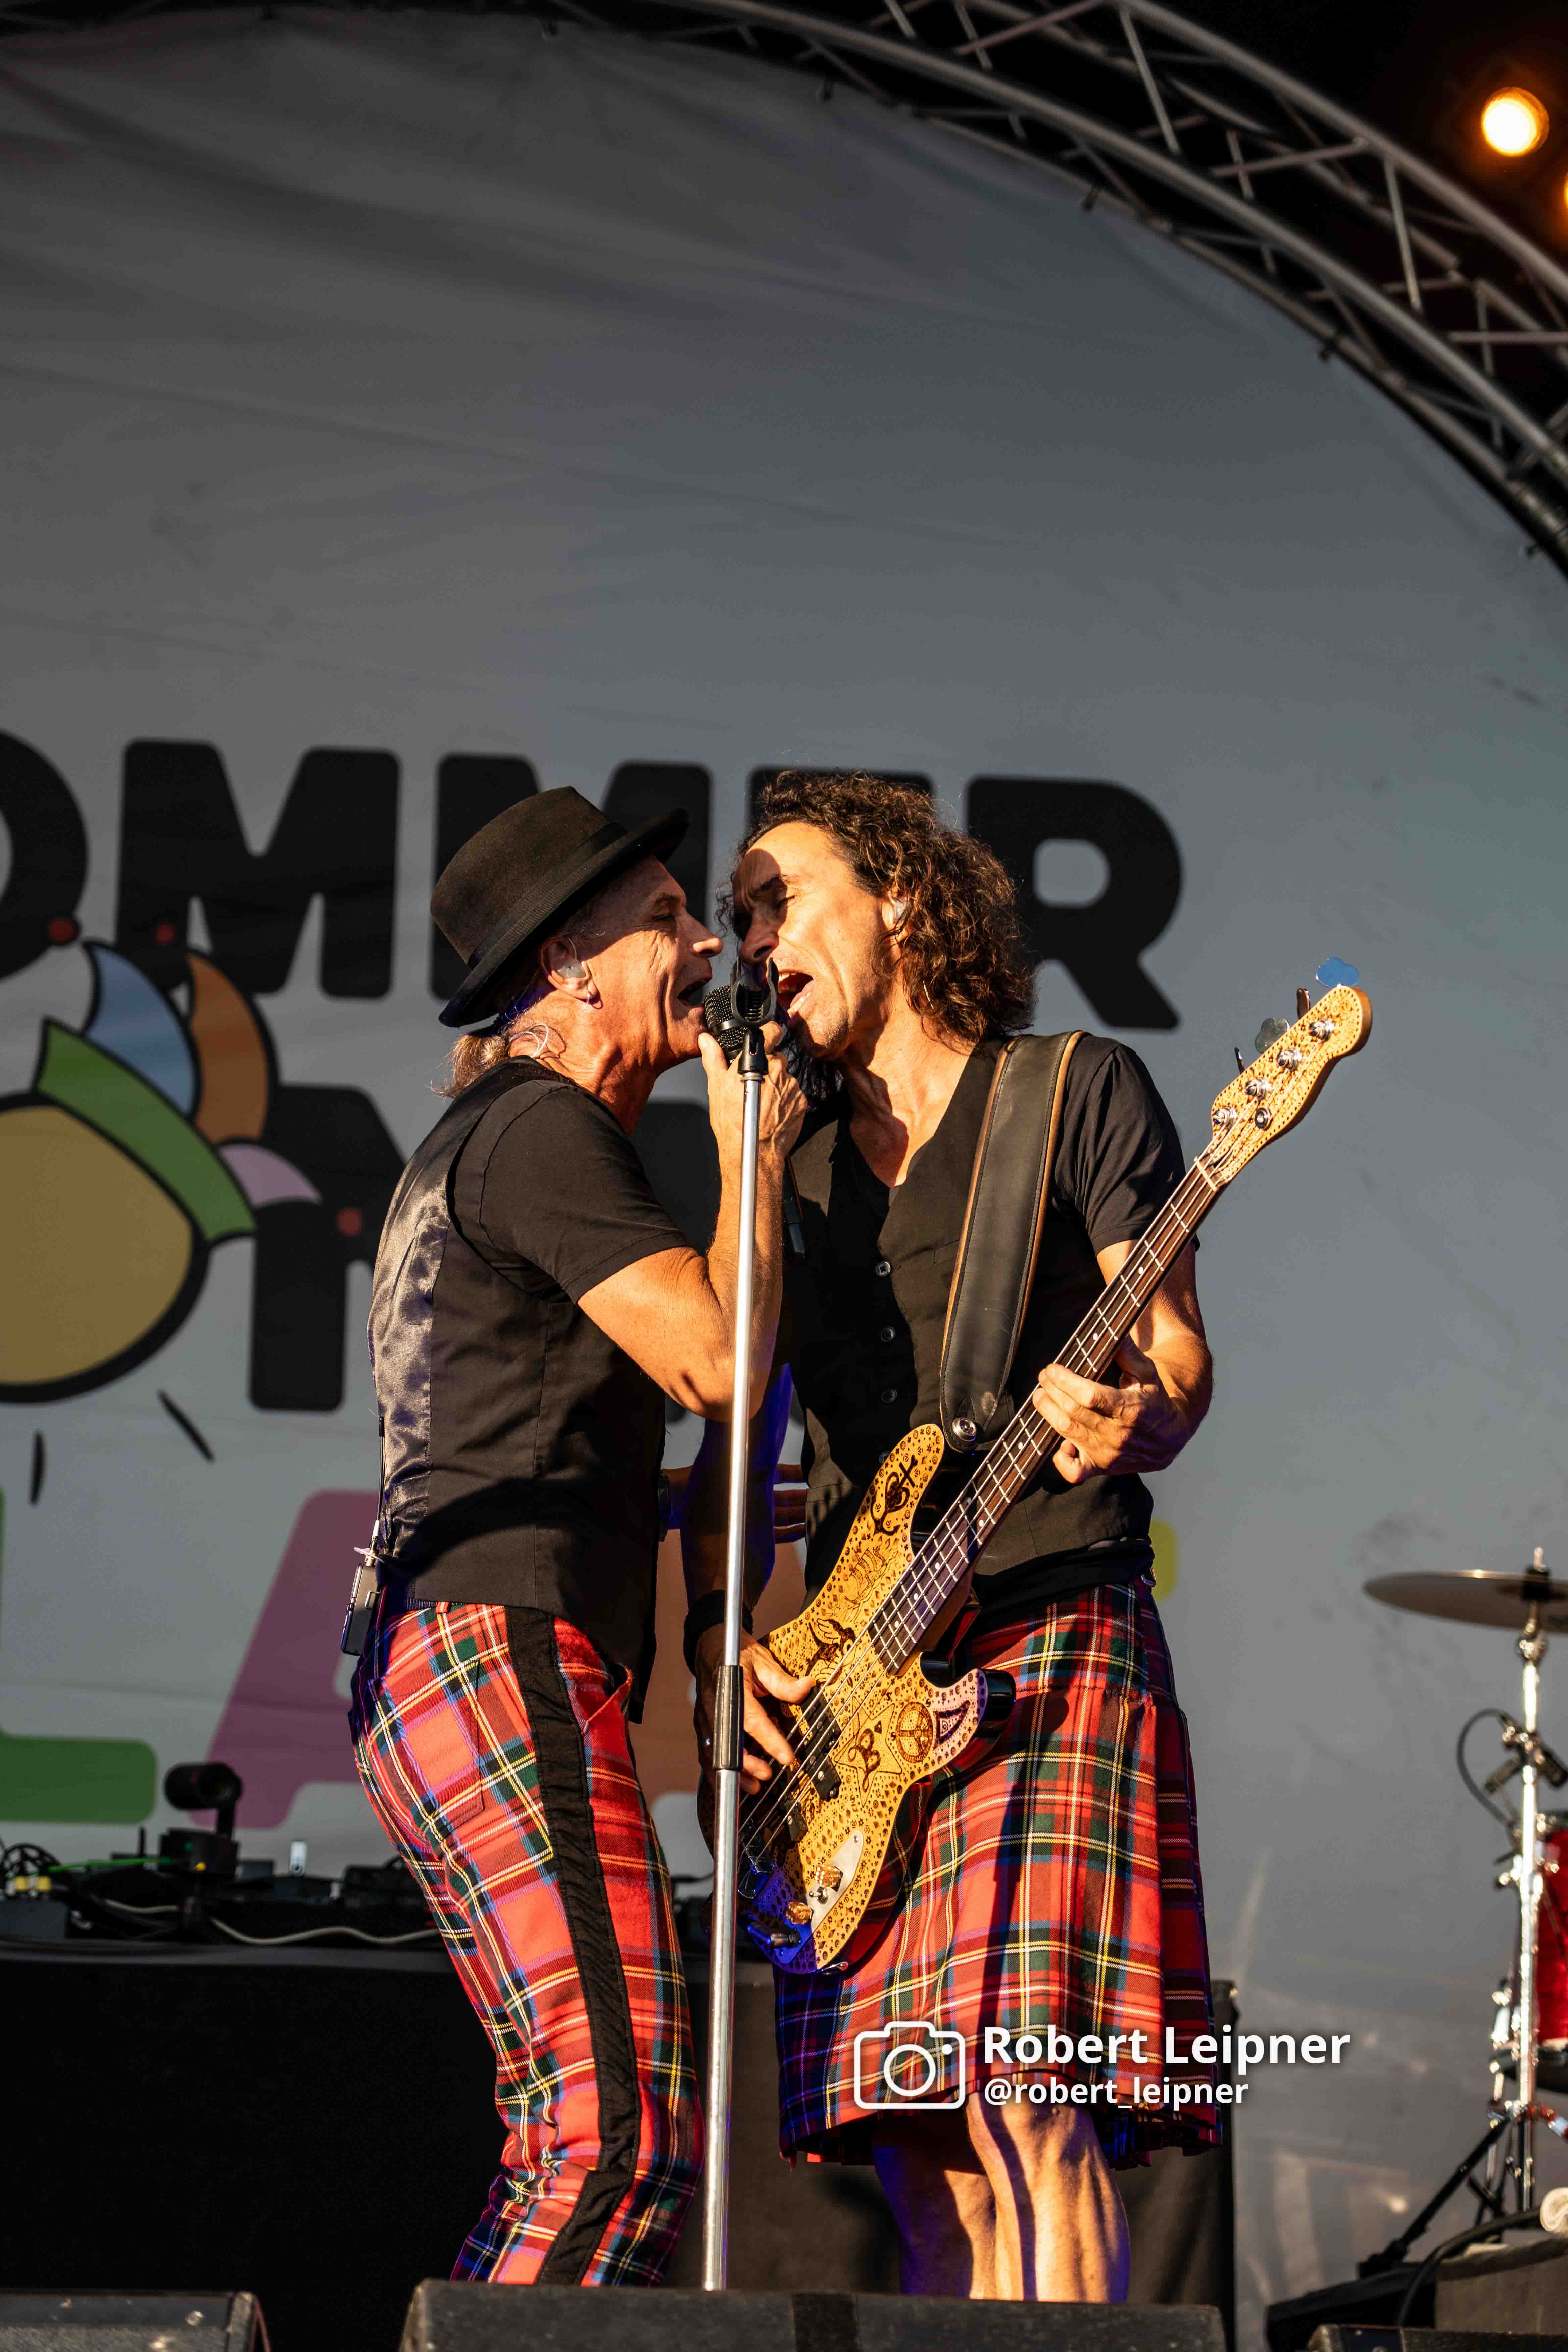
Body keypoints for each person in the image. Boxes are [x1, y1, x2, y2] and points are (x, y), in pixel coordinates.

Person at [682, 771, 1216, 2303]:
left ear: (901, 900)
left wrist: (1143, 1420)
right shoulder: (780, 1173)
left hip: (1047, 1636)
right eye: (737, 921)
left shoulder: (1072, 1089)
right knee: (920, 2141)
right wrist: (730, 1655)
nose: (752, 940)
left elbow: (1173, 1361)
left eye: (780, 900)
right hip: (864, 1701)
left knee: (1028, 2103)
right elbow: (730, 1439)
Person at [350, 787, 802, 2287]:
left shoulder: (487, 1137)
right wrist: (750, 1148)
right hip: (495, 1642)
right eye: (667, 916)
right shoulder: (543, 1126)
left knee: (592, 2128)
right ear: (569, 961)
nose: (700, 943)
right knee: (609, 2132)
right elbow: (717, 1359)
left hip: (448, 1653)